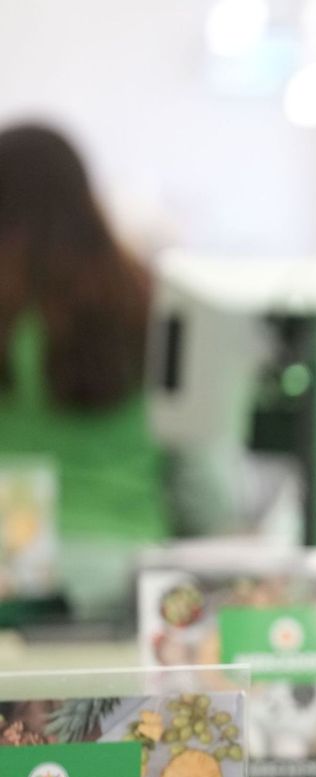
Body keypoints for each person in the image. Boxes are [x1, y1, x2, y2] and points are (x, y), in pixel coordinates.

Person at [0, 123, 170, 614]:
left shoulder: (13, 321)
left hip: (13, 575)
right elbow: (204, 482)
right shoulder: (146, 305)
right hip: (129, 577)